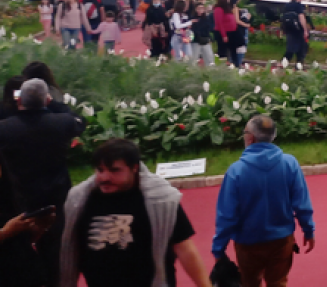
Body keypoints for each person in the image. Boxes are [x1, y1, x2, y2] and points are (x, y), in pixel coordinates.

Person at [60, 139, 212, 287]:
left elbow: (184, 248)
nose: (104, 177)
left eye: (114, 170)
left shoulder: (160, 200)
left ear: (134, 168)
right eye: (100, 170)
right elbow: (70, 250)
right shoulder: (79, 200)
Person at [0, 78, 87, 286]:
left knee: (20, 251)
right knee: (56, 253)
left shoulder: (4, 128)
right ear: (47, 99)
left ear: (19, 99)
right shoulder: (63, 123)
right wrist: (49, 102)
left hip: (20, 202)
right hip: (56, 198)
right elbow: (79, 121)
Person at [213, 115, 315, 287]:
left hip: (247, 243)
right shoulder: (290, 164)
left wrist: (218, 248)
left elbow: (227, 215)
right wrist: (308, 230)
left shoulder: (236, 171)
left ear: (250, 137)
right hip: (282, 240)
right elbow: (301, 203)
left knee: (249, 283)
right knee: (278, 282)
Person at [1, 154, 55, 287]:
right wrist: (5, 233)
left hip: (22, 270)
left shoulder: (9, 191)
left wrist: (40, 227)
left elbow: (25, 240)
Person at [213, 0, 247, 67]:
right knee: (223, 51)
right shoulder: (219, 9)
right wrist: (224, 35)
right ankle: (221, 66)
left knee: (234, 50)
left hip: (232, 32)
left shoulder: (228, 8)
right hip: (224, 32)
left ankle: (236, 65)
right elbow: (219, 23)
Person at [281, 0, 309, 66]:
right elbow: (301, 18)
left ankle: (284, 63)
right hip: (298, 30)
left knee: (290, 47)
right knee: (301, 48)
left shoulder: (287, 5)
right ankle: (299, 65)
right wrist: (305, 30)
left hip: (289, 29)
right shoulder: (298, 6)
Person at [191, 3, 216, 67]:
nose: (200, 10)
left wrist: (210, 38)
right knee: (193, 58)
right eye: (199, 8)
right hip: (196, 40)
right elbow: (193, 29)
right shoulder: (192, 18)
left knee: (209, 57)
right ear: (196, 9)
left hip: (205, 40)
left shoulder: (206, 18)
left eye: (202, 8)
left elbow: (208, 29)